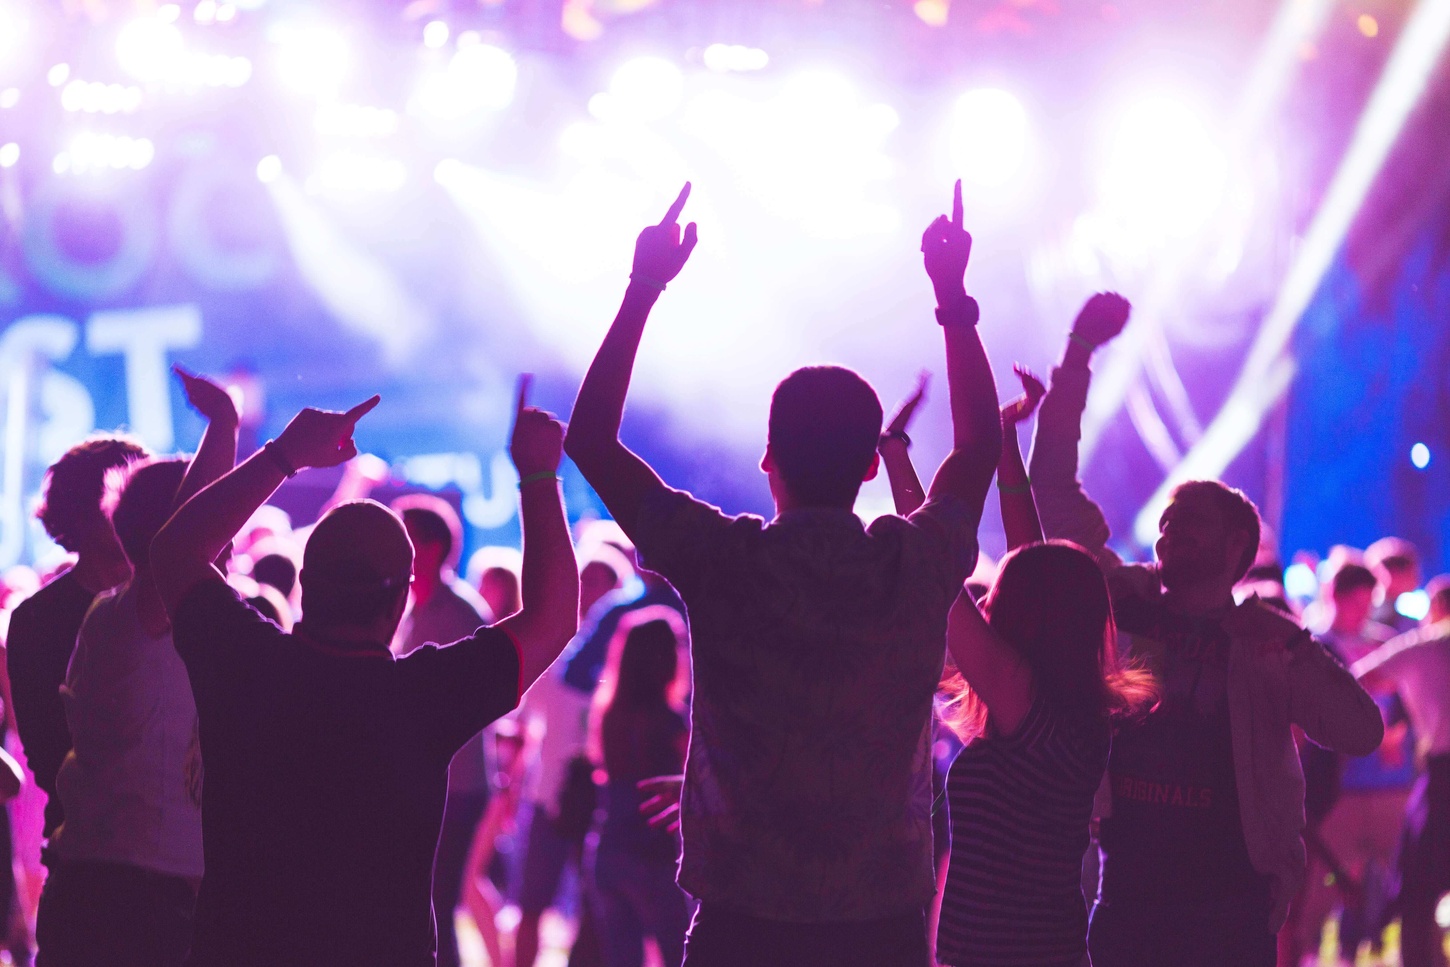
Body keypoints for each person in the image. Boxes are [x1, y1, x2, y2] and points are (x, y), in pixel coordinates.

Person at [565, 181, 997, 967]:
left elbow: (591, 439)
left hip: (744, 926)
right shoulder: (914, 562)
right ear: (873, 465)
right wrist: (953, 300)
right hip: (883, 928)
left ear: (769, 461)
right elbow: (976, 453)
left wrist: (643, 289)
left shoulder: (723, 560)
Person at [149, 382, 579, 967]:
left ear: (306, 582)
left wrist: (285, 455)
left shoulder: (243, 661)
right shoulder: (425, 697)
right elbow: (554, 617)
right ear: (400, 601)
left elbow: (173, 552)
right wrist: (536, 475)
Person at [1028, 293, 1385, 966]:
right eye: (1167, 520)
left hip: (1230, 908)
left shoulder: (1264, 645)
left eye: (1190, 520)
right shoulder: (1122, 599)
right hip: (1125, 893)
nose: (1169, 530)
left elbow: (1361, 730)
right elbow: (1049, 487)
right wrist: (1076, 356)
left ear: (1236, 550)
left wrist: (1294, 647)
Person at [934, 358, 1156, 967]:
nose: (990, 595)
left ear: (1025, 612)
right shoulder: (1065, 704)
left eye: (1001, 591)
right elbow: (1036, 559)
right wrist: (1004, 441)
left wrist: (905, 463)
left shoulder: (1025, 700)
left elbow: (933, 560)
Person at [37, 368, 237, 967]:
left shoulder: (152, 620)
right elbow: (189, 535)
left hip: (132, 891)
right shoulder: (132, 617)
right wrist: (228, 428)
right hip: (122, 901)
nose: (230, 535)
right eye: (218, 520)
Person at [7, 435, 146, 847]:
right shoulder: (38, 619)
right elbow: (46, 750)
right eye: (131, 497)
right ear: (90, 510)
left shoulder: (173, 601)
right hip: (84, 842)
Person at [390, 494, 495, 967]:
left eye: (404, 534)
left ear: (429, 548)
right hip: (433, 781)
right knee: (422, 908)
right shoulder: (413, 608)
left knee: (437, 908)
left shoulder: (457, 614)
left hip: (459, 784)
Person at [1353, 575, 1450, 967]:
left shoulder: (1422, 647)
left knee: (1417, 886)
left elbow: (1355, 681)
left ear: (1435, 609)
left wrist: (1381, 733)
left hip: (1444, 777)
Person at [586, 609, 692, 967]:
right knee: (680, 956)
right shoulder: (671, 720)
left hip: (609, 851)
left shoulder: (609, 715)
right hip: (654, 856)